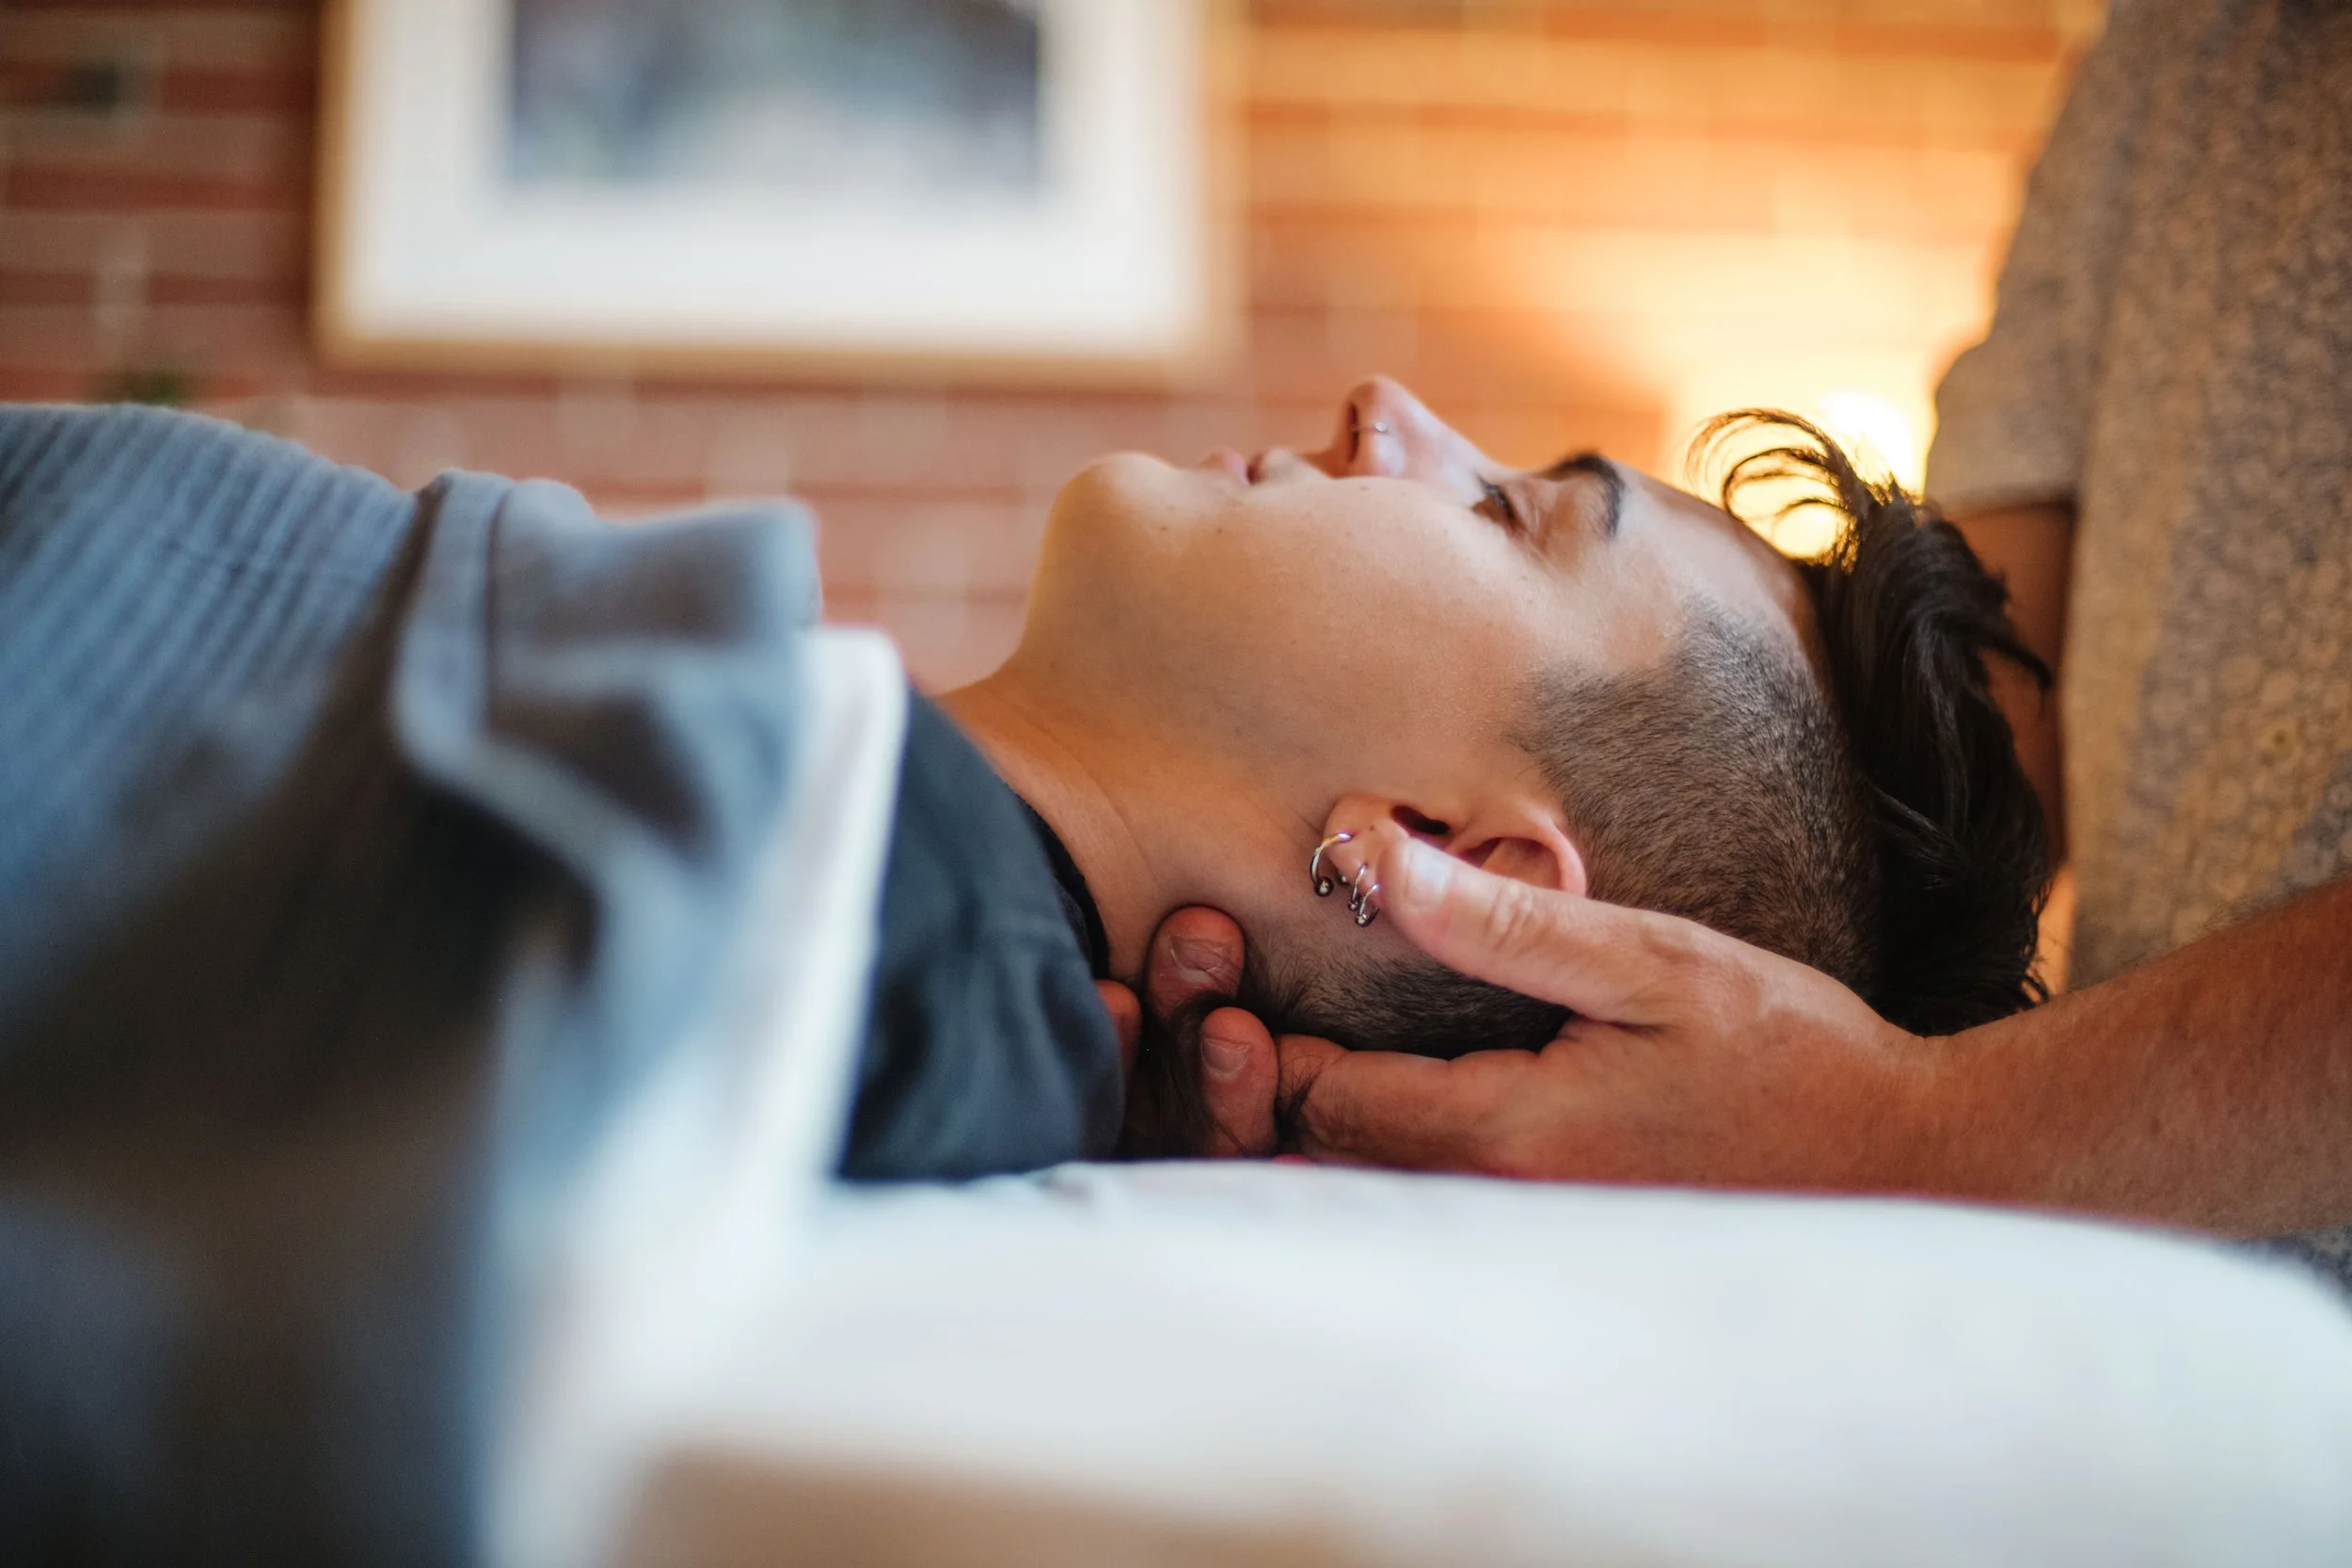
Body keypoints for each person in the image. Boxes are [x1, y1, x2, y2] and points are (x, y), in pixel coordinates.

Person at [0, 378, 2042, 1558]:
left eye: (1509, 512)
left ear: (1460, 876)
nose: (1383, 412)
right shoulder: (812, 839)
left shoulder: (841, 933)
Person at [1124, 0, 2352, 1287]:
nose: (1381, 404)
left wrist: (1911, 1123)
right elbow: (1984, 727)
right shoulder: (2179, 58)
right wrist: (1376, 995)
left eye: (1506, 511)